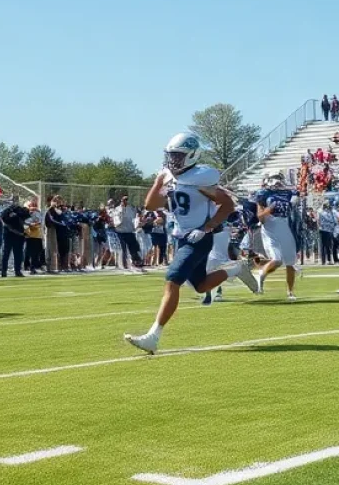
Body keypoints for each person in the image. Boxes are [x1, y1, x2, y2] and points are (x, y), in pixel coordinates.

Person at [124, 133, 258, 354]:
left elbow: (228, 206)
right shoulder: (173, 178)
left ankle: (153, 337)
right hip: (180, 237)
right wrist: (159, 182)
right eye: (171, 155)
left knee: (172, 280)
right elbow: (150, 204)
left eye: (178, 156)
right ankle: (235, 268)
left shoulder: (201, 178)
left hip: (198, 238)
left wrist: (207, 227)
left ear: (192, 156)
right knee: (200, 285)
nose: (173, 160)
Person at [253, 170, 300, 301]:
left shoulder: (288, 193)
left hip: (284, 226)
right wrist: (268, 210)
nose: (278, 181)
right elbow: (260, 218)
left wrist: (294, 200)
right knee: (277, 259)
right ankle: (260, 275)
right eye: (275, 178)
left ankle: (290, 292)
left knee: (290, 262)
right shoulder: (263, 194)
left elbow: (293, 202)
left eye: (279, 178)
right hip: (270, 228)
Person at [110, 195, 143, 271]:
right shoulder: (117, 209)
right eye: (124, 200)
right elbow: (116, 220)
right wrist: (122, 210)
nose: (125, 201)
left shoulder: (131, 208)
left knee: (134, 248)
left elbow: (137, 216)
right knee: (123, 249)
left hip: (130, 231)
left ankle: (136, 263)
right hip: (120, 232)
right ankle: (123, 265)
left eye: (126, 200)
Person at [0, 196, 30, 277]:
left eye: (15, 200)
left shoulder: (21, 209)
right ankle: (4, 271)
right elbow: (4, 219)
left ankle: (18, 271)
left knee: (18, 254)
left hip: (19, 234)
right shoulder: (6, 210)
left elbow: (26, 215)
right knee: (6, 253)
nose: (14, 202)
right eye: (12, 200)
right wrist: (10, 215)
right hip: (8, 234)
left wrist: (16, 214)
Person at [23, 198, 46, 273]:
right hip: (30, 235)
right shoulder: (27, 212)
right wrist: (33, 224)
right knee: (30, 252)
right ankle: (28, 266)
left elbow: (40, 222)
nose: (34, 206)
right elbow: (26, 222)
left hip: (38, 235)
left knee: (37, 252)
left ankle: (34, 266)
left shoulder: (38, 212)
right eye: (33, 204)